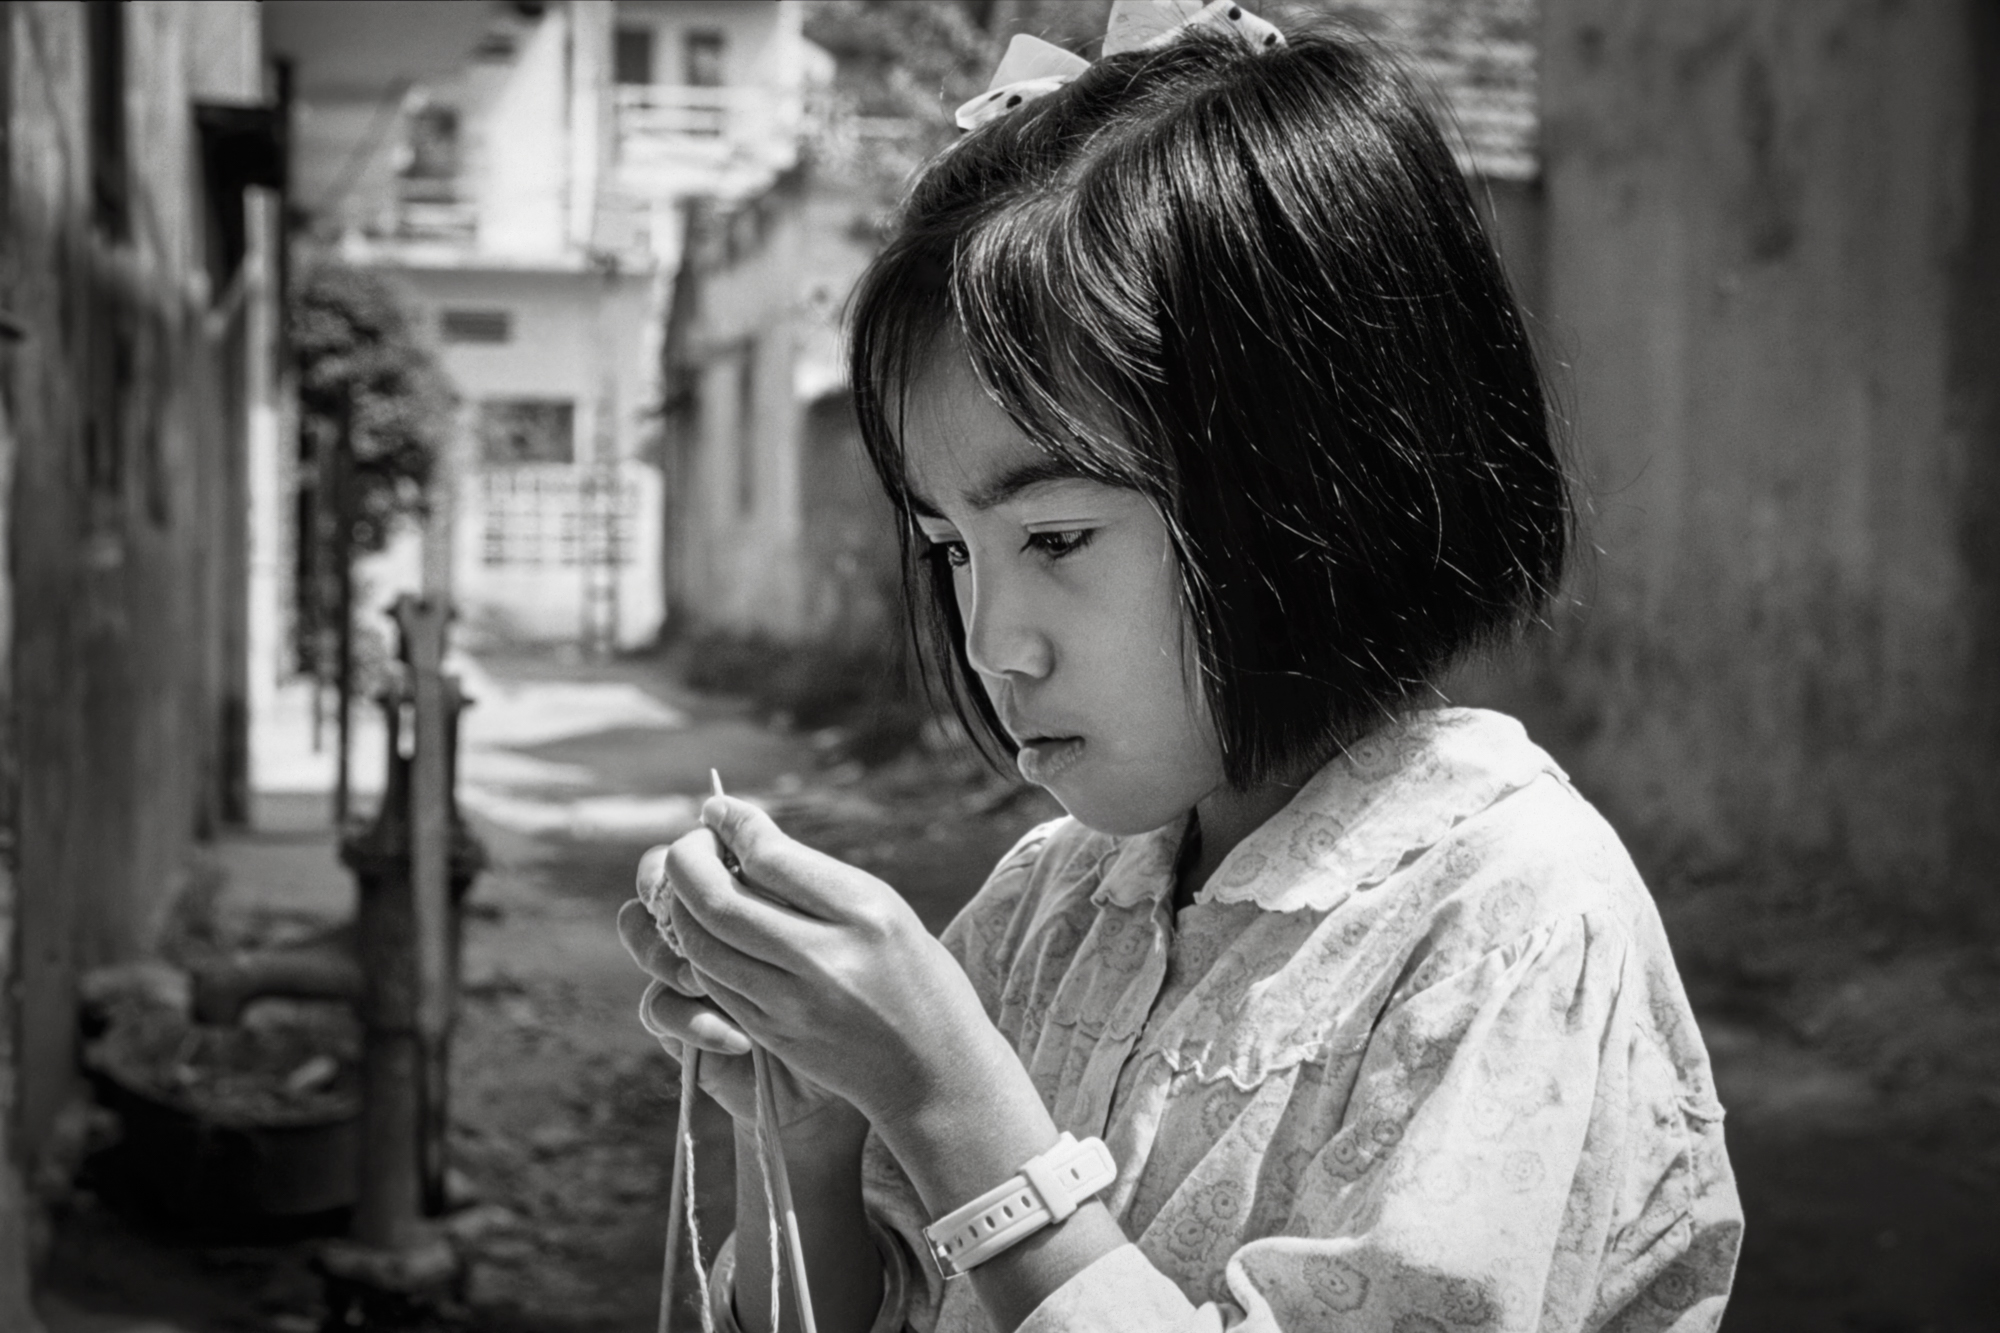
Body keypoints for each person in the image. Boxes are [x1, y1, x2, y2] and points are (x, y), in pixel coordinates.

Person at [618, 5, 1743, 1331]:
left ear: (1314, 488)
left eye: (1054, 536)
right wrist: (812, 1127)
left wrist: (949, 1105)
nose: (993, 641)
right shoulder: (1051, 902)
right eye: (951, 549)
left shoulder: (1510, 926)